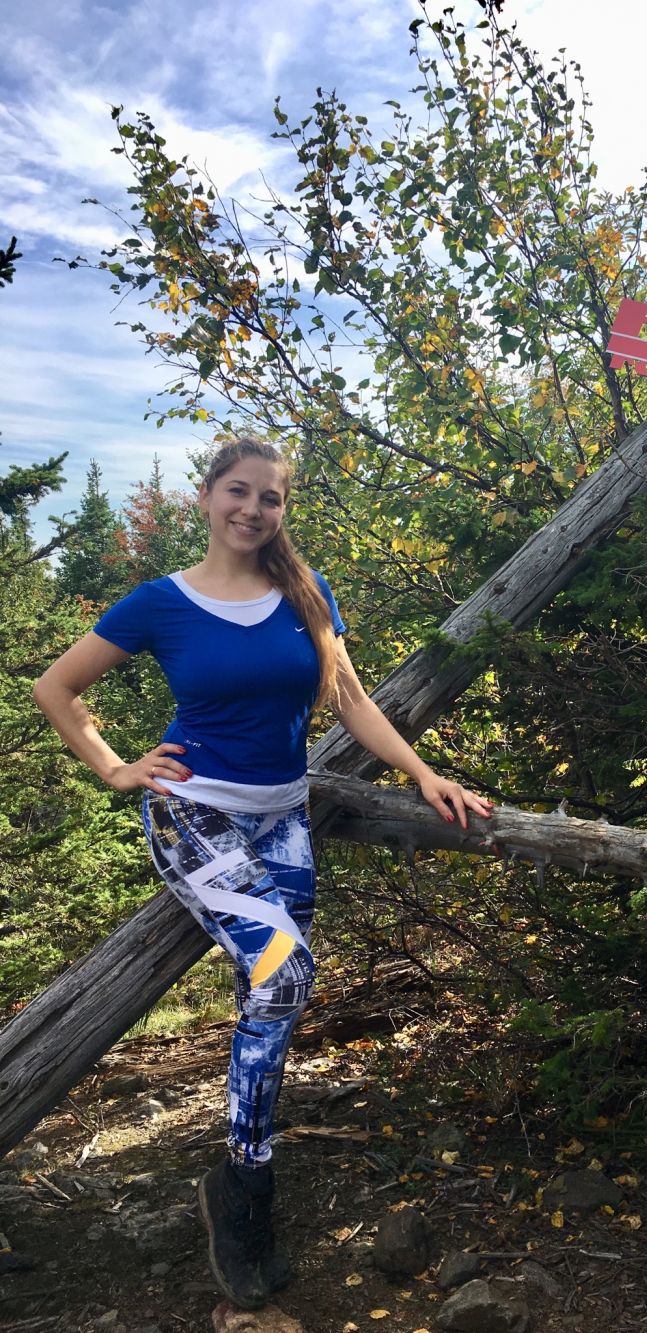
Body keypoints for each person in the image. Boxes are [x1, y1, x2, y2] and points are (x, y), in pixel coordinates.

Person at [33, 435, 493, 1310]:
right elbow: (56, 688)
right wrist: (116, 767)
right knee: (286, 973)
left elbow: (351, 700)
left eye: (269, 497)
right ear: (206, 497)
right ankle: (247, 1187)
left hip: (283, 820)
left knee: (274, 998)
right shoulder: (160, 603)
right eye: (237, 491)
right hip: (193, 812)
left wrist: (422, 774)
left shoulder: (304, 591)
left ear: (283, 508)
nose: (252, 508)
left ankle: (238, 1174)